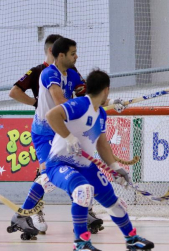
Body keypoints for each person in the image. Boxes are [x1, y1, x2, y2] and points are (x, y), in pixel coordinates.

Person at [8, 35, 123, 236]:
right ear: (60, 55)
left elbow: (89, 97)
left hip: (62, 132)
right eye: (72, 53)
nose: (76, 57)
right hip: (45, 133)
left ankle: (82, 210)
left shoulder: (72, 75)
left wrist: (111, 100)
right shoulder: (48, 73)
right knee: (48, 175)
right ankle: (23, 214)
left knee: (75, 170)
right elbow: (61, 101)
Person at [45, 69, 154, 251]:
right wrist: (69, 138)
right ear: (106, 90)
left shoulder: (100, 113)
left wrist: (115, 168)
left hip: (86, 166)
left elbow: (102, 143)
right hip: (59, 164)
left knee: (115, 202)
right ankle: (81, 243)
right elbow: (52, 115)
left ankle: (131, 239)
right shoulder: (80, 104)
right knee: (83, 191)